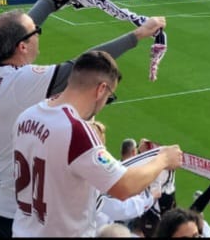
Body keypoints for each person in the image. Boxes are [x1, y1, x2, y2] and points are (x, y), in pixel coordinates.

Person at [0, 0, 167, 238]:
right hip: (15, 207)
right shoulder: (22, 81)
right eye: (35, 34)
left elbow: (13, 33)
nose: (38, 36)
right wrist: (139, 34)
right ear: (22, 46)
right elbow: (84, 65)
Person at [12, 51, 183, 237]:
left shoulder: (27, 115)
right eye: (109, 97)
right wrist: (163, 159)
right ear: (101, 89)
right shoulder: (75, 130)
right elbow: (124, 187)